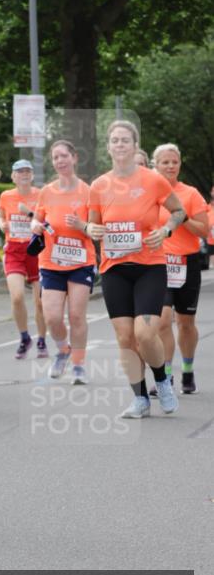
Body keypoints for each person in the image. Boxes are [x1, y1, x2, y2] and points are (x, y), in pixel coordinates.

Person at [87, 121, 186, 418]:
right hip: (115, 268)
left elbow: (179, 211)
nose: (119, 145)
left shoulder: (153, 180)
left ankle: (162, 381)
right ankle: (140, 398)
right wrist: (92, 229)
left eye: (125, 140)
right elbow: (94, 225)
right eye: (114, 140)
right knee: (124, 338)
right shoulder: (98, 186)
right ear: (108, 147)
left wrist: (167, 229)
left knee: (144, 334)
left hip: (149, 267)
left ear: (134, 145)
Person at [30, 140, 96, 385]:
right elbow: (36, 220)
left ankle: (78, 364)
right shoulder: (47, 191)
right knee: (52, 318)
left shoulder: (88, 191)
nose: (60, 161)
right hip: (50, 261)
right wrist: (34, 226)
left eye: (64, 156)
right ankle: (63, 350)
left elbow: (97, 229)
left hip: (80, 261)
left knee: (77, 316)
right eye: (55, 157)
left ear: (74, 158)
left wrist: (81, 226)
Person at [150, 143, 208, 395]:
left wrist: (183, 217)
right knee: (162, 321)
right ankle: (167, 378)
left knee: (185, 323)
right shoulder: (149, 194)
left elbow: (203, 231)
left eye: (174, 162)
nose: (170, 166)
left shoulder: (191, 193)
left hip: (187, 263)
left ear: (180, 164)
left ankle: (187, 369)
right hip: (158, 263)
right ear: (156, 165)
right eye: (165, 162)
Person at [0, 160, 48, 359]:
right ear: (13, 176)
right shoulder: (6, 196)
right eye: (19, 172)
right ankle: (25, 337)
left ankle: (42, 339)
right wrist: (2, 224)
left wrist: (28, 213)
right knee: (17, 297)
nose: (24, 174)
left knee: (40, 302)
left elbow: (46, 220)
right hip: (14, 250)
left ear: (32, 175)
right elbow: (0, 216)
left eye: (27, 171)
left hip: (35, 250)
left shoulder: (41, 195)